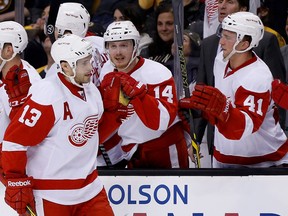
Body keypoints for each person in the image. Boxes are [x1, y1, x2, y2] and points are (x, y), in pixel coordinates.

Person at [1, 34, 114, 215]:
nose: (90, 68)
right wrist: (16, 180)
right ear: (66, 66)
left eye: (89, 61)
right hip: (51, 194)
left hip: (90, 190)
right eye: (83, 63)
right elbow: (14, 140)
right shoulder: (48, 95)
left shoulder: (91, 90)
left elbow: (92, 135)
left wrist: (117, 115)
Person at [180, 12, 288, 168]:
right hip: (224, 160)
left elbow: (244, 128)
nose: (221, 42)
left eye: (228, 37)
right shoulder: (221, 61)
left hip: (263, 165)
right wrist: (200, 110)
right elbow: (218, 110)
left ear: (244, 44)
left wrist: (223, 109)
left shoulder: (257, 76)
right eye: (222, 35)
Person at [98, 20, 189, 169]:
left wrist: (140, 95)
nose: (118, 52)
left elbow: (162, 122)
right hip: (132, 152)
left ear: (135, 46)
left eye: (124, 45)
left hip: (164, 148)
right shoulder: (107, 71)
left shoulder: (157, 72)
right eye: (113, 46)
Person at [0, 21, 41, 171]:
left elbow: (30, 134)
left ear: (8, 50)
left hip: (18, 165)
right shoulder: (3, 72)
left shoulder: (31, 81)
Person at [141, 0, 174, 67]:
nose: (164, 28)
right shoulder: (147, 52)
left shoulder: (186, 51)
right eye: (160, 24)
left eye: (169, 23)